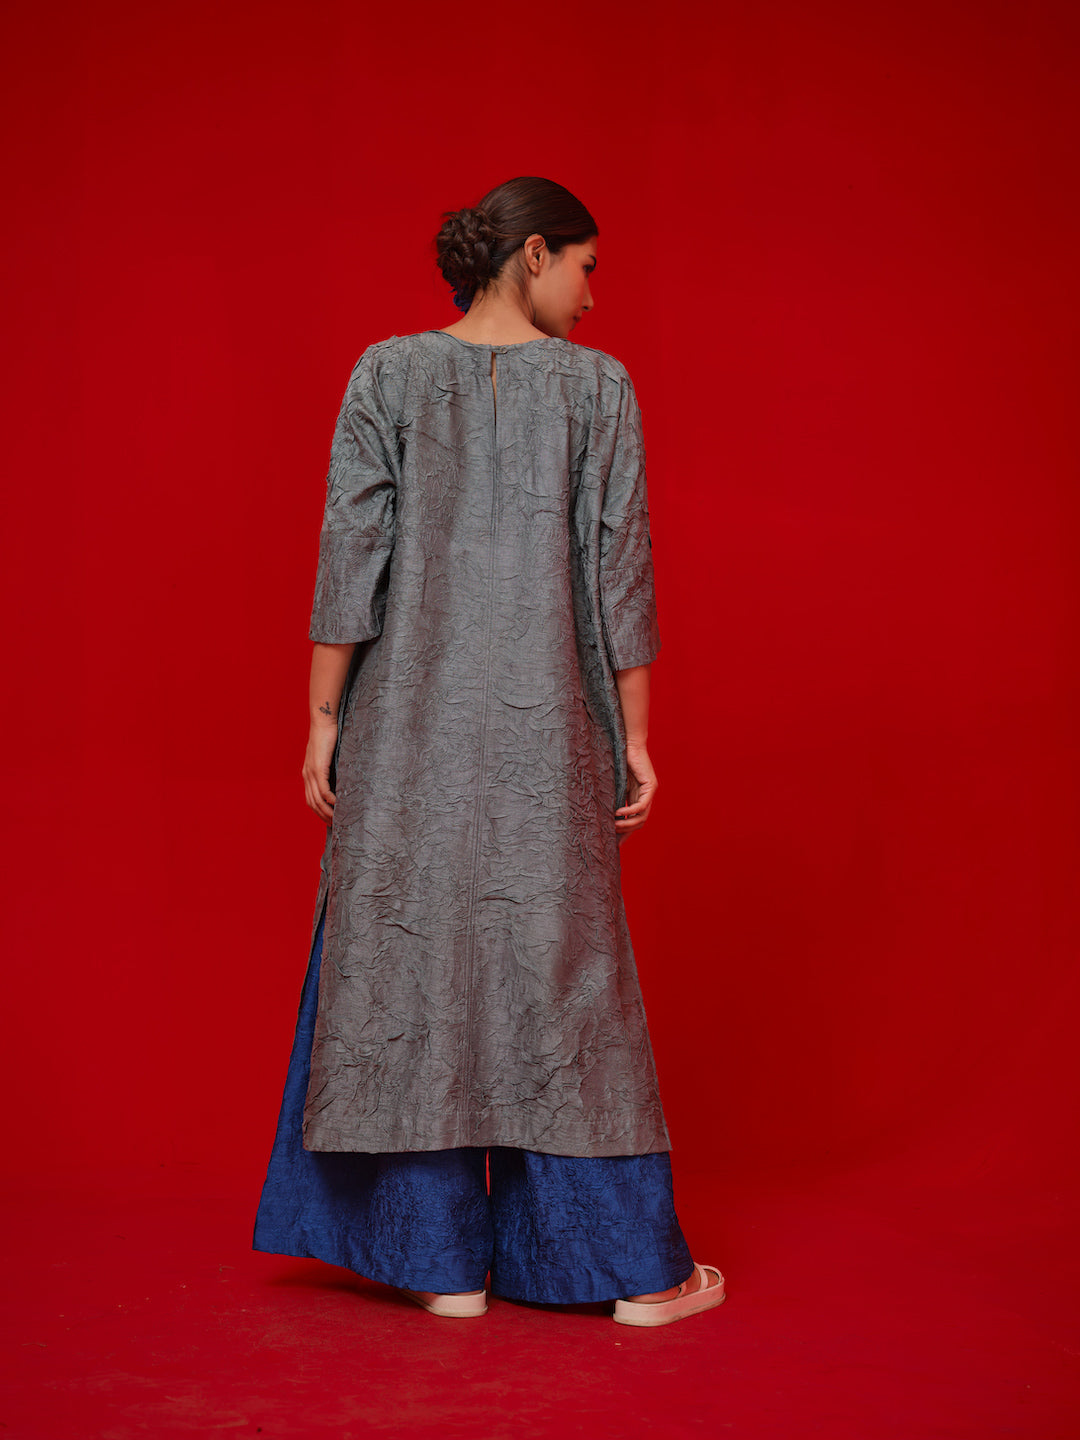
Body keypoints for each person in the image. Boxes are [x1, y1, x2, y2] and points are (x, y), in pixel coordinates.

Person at [252, 176, 726, 1327]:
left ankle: (439, 1264)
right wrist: (639, 737)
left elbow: (350, 557)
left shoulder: (385, 373)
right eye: (588, 266)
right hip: (552, 732)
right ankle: (627, 1272)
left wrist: (324, 717)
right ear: (535, 254)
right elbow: (622, 577)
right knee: (563, 977)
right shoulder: (599, 389)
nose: (594, 296)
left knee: (408, 964)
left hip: (402, 730)